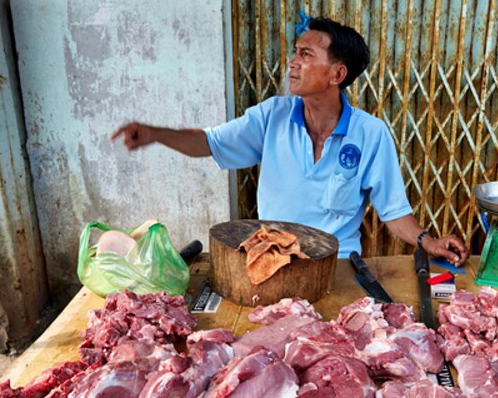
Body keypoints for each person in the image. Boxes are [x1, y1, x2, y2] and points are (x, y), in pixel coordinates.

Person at [111, 16, 469, 266]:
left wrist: (428, 241)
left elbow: (393, 212)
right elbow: (208, 142)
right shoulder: (272, 116)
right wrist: (157, 135)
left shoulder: (370, 133)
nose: (293, 63)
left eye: (306, 55)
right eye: (296, 52)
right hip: (272, 261)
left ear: (337, 74)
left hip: (338, 264)